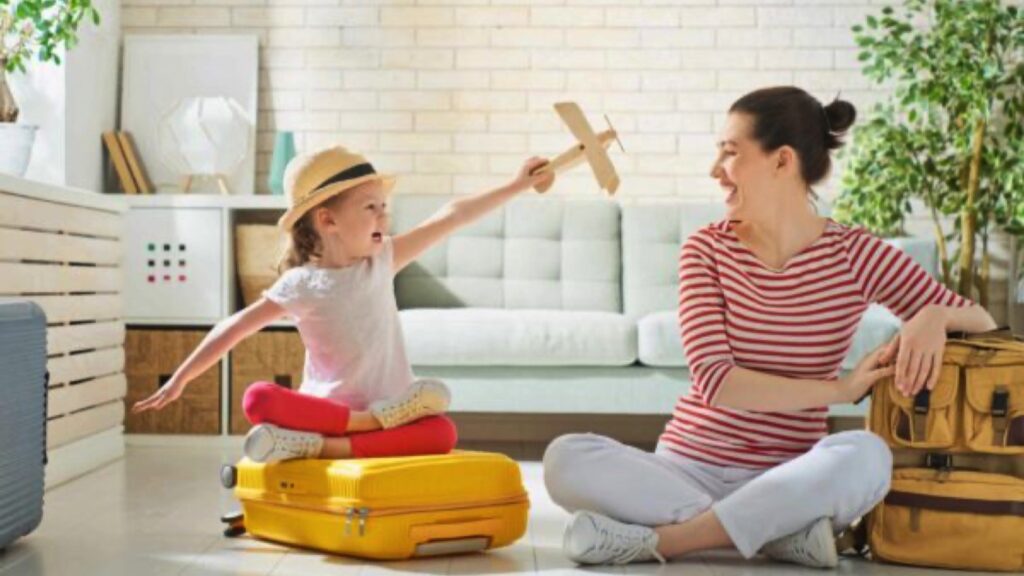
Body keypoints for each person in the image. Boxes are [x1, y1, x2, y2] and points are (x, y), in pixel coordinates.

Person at [542, 86, 998, 568]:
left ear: (782, 162)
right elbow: (717, 383)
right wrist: (840, 390)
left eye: (730, 153)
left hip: (786, 475)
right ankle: (773, 534)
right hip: (684, 470)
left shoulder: (855, 254)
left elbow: (985, 325)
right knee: (565, 457)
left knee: (868, 456)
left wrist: (933, 315)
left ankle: (668, 541)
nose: (715, 170)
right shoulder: (706, 251)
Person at [134, 145, 553, 463]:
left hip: (393, 407)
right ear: (327, 220)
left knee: (442, 432)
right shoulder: (300, 284)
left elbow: (451, 216)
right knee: (259, 399)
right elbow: (235, 327)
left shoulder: (382, 259)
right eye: (370, 208)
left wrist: (517, 184)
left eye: (383, 208)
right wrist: (181, 377)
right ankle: (356, 433)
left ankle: (324, 449)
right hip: (332, 411)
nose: (383, 218)